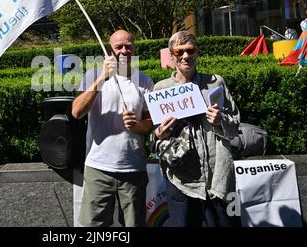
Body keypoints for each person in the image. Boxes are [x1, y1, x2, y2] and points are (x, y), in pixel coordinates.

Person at [150, 31, 240, 227]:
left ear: (197, 53)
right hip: (181, 180)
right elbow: (152, 140)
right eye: (179, 52)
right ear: (172, 56)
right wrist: (159, 134)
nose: (185, 56)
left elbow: (234, 128)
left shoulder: (216, 82)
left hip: (219, 178)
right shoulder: (161, 89)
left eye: (190, 50)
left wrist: (220, 120)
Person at [71, 29, 153, 227]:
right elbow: (76, 112)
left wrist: (137, 125)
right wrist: (102, 79)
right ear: (110, 50)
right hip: (98, 167)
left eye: (128, 46)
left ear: (134, 49)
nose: (123, 51)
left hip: (133, 168)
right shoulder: (92, 75)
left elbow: (150, 123)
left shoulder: (145, 81)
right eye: (118, 47)